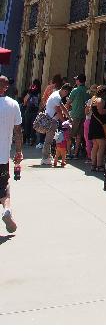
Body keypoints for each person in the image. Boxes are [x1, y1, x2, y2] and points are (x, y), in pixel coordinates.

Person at [0, 74, 23, 235]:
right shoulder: (13, 104)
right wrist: (19, 151)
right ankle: (7, 209)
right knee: (3, 186)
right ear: (6, 87)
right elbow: (18, 132)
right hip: (2, 156)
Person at [40, 80, 70, 167]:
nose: (66, 95)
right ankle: (45, 158)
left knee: (49, 139)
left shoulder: (56, 94)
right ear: (65, 91)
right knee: (48, 140)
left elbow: (62, 107)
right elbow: (59, 111)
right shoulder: (57, 97)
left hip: (51, 120)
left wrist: (69, 116)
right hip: (51, 120)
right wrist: (64, 121)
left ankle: (48, 157)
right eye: (66, 93)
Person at [88, 85, 106, 172]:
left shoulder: (94, 99)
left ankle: (93, 165)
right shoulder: (100, 100)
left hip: (94, 124)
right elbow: (101, 111)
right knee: (102, 145)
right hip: (99, 125)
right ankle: (99, 165)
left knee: (95, 145)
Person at [66, 73, 88, 157]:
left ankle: (69, 152)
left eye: (76, 79)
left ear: (78, 81)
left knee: (69, 134)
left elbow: (68, 103)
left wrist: (65, 112)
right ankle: (75, 153)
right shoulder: (87, 90)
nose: (75, 81)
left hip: (75, 115)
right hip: (84, 115)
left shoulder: (75, 90)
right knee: (79, 135)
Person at [22, 79, 41, 146]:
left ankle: (26, 139)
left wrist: (25, 104)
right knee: (33, 126)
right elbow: (39, 102)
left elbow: (25, 100)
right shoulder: (39, 93)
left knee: (27, 125)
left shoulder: (30, 91)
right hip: (35, 110)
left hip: (28, 110)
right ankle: (31, 139)